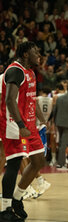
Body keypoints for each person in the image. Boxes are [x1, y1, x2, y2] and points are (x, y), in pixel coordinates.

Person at [0, 42, 46, 221]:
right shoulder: (15, 71)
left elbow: (32, 99)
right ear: (26, 54)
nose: (39, 54)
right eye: (36, 51)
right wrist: (20, 125)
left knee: (38, 160)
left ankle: (17, 198)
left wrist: (42, 120)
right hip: (13, 123)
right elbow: (10, 100)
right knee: (13, 163)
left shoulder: (32, 73)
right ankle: (5, 210)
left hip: (29, 125)